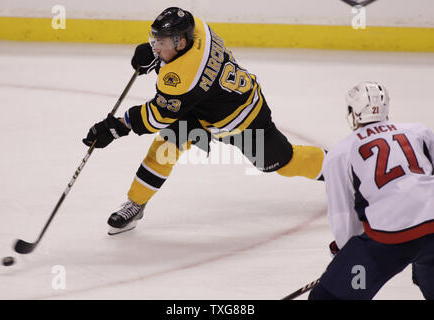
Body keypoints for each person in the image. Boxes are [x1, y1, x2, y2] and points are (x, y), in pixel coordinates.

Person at [82, 7, 325, 236]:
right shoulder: (196, 26)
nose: (156, 46)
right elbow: (178, 76)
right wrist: (157, 54)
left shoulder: (183, 75)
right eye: (155, 39)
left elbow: (158, 116)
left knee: (283, 162)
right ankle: (136, 203)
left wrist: (118, 127)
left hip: (243, 119)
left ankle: (338, 166)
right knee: (165, 148)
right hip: (203, 108)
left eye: (161, 43)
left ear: (181, 42)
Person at [308, 81, 434, 300]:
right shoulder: (419, 132)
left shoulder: (340, 153)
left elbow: (343, 216)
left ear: (352, 112)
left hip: (389, 239)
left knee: (327, 298)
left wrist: (345, 259)